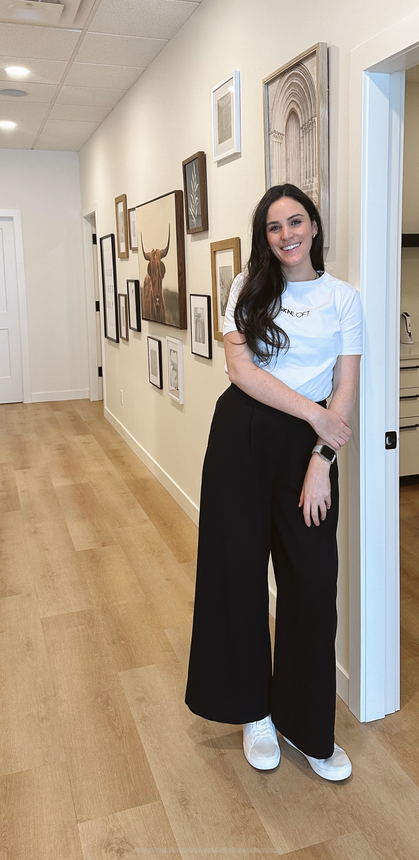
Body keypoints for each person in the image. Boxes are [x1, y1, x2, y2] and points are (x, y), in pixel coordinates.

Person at [185, 184, 362, 782]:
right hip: (243, 435)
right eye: (273, 227)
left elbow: (344, 389)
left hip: (307, 452)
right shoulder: (247, 288)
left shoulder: (344, 299)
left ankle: (306, 724)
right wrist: (318, 419)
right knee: (235, 571)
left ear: (314, 226)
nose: (286, 235)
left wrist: (321, 460)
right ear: (266, 237)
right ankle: (252, 711)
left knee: (311, 585)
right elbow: (242, 372)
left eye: (296, 222)